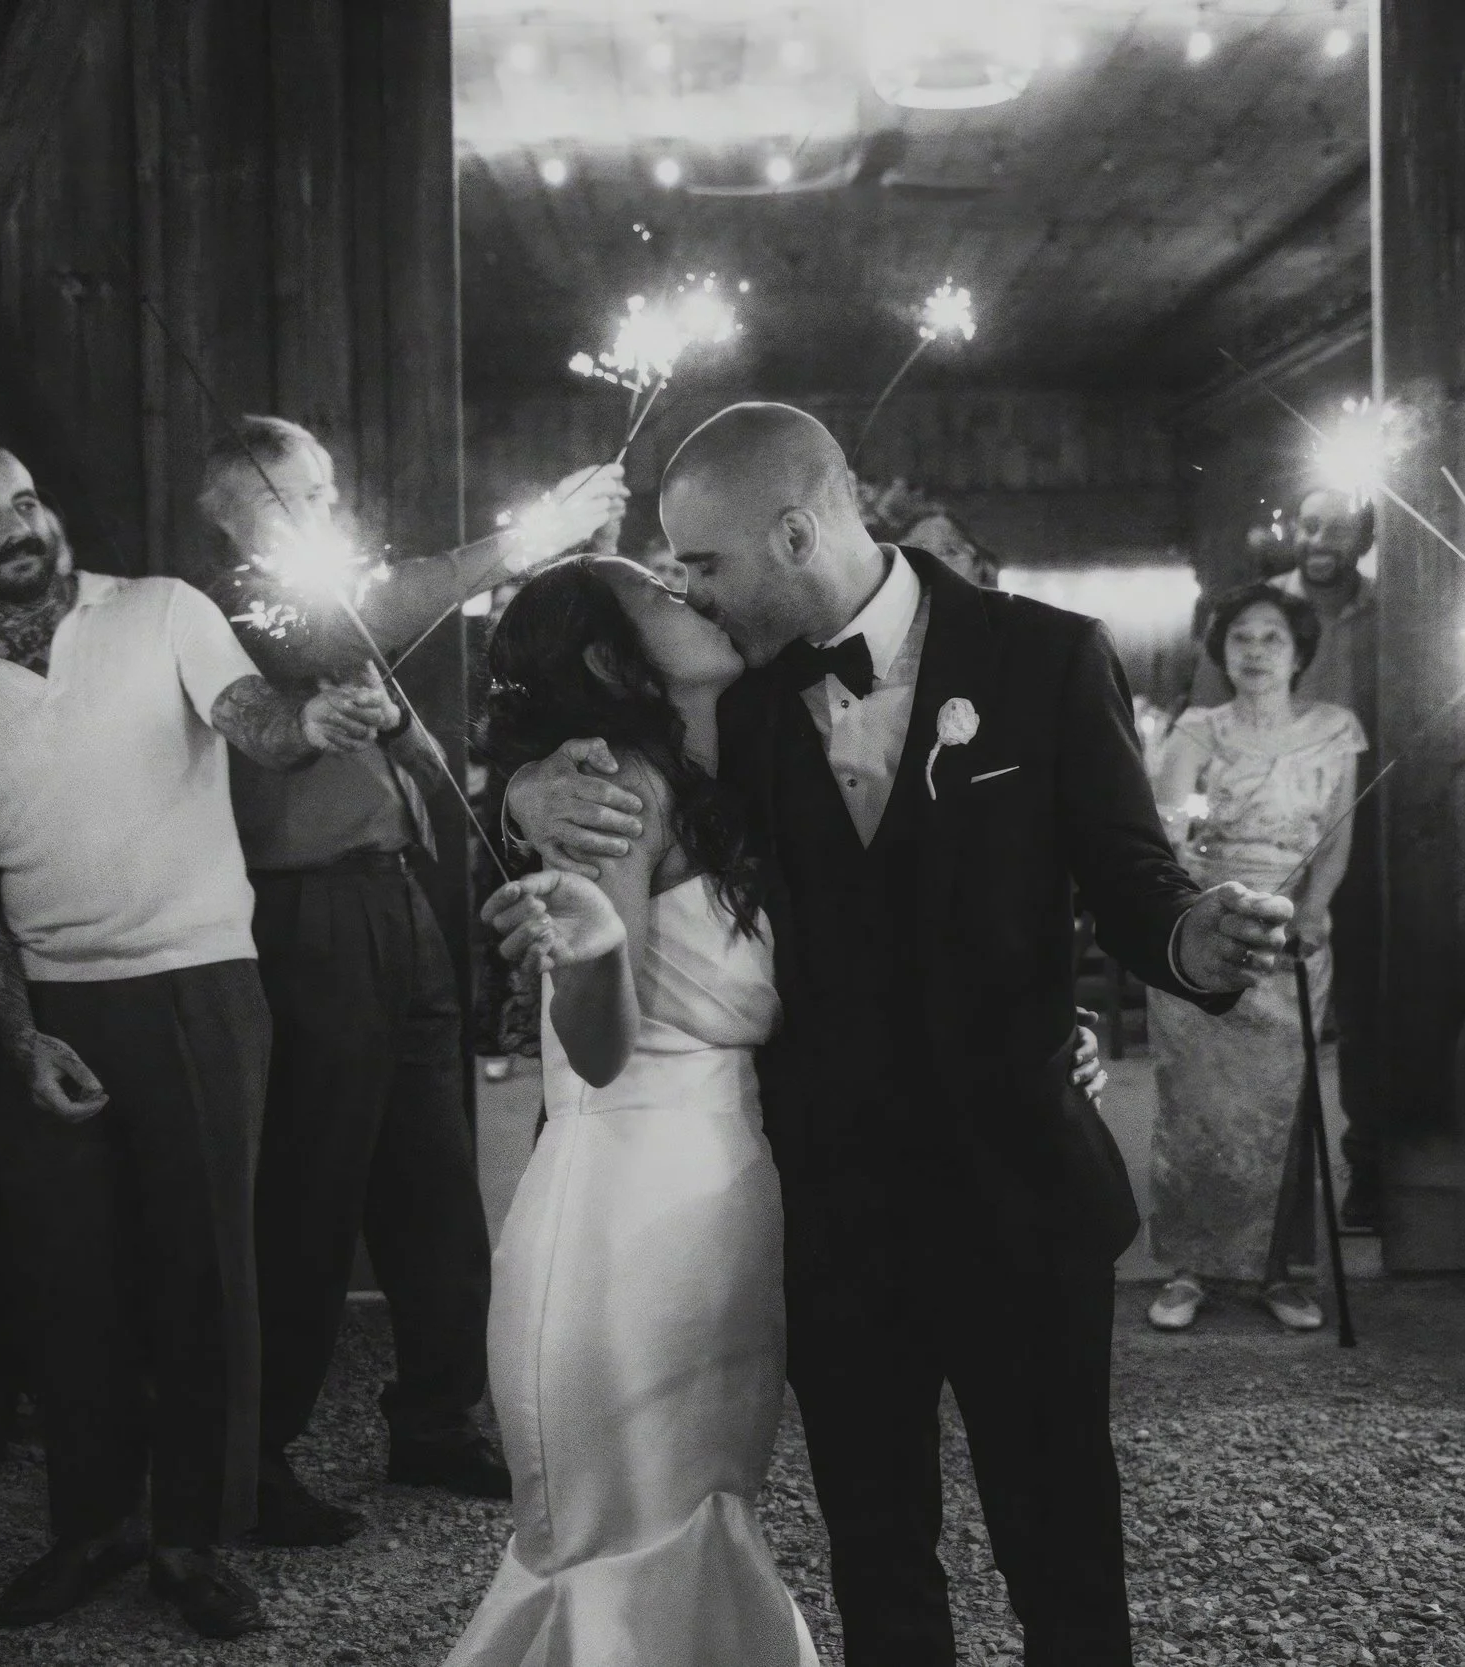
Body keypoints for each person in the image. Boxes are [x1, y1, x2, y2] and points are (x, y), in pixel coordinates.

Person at [505, 403, 1290, 1665]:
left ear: (797, 530)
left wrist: (1192, 938)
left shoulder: (1042, 656)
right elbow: (610, 799)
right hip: (833, 1196)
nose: (687, 592)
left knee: (1064, 1545)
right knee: (876, 1552)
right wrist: (521, 788)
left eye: (704, 564)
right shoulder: (732, 706)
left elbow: (1133, 874)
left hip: (1017, 1182)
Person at [0, 437, 387, 1638]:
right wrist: (18, 1037)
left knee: (205, 1269)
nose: (14, 524)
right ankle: (93, 1525)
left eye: (25, 496)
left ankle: (193, 1535)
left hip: (203, 982)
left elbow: (253, 720)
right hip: (56, 1012)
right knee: (71, 1277)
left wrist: (313, 717)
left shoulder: (163, 609)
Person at [194, 417, 625, 1541]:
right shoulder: (233, 605)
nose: (334, 508)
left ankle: (435, 1416)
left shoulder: (323, 605)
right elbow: (369, 613)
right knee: (312, 1186)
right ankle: (256, 1453)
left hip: (397, 899)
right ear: (246, 507)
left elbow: (374, 667)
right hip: (309, 915)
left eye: (332, 487)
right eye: (310, 491)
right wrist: (531, 538)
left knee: (431, 1174)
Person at [445, 554, 816, 1663]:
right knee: (627, 1536)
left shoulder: (716, 763)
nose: (692, 592)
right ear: (612, 658)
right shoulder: (606, 785)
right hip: (624, 1212)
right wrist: (594, 949)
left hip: (723, 1198)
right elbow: (598, 1051)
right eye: (659, 592)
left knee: (707, 1505)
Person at [1145, 583, 1364, 1334]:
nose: (1256, 651)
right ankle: (1187, 1268)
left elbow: (1337, 835)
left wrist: (1311, 909)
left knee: (1283, 1106)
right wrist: (1194, 894)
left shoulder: (1336, 730)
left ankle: (1280, 1273)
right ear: (1221, 650)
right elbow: (1168, 827)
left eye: (1273, 637)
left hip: (1293, 929)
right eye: (1241, 637)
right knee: (1194, 1104)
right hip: (1205, 927)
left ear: (1300, 651)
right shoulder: (1200, 729)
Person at [1190, 486, 1384, 1228]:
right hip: (1255, 843)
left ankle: (1362, 1165)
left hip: (1353, 827)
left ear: (1364, 535)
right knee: (1245, 1032)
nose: (1322, 538)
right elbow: (1207, 718)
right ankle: (1243, 1209)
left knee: (1363, 1014)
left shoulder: (1387, 608)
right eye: (1310, 524)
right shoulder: (1255, 612)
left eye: (1338, 526)